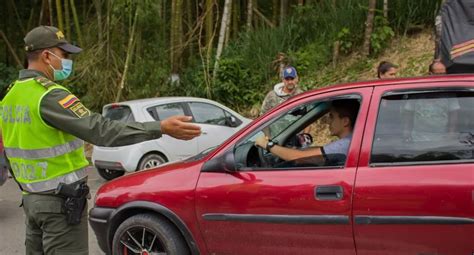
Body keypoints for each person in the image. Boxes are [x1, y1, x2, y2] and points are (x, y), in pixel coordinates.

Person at [0, 26, 201, 255]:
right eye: (63, 55)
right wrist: (160, 127)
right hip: (59, 204)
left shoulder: (10, 95)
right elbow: (101, 130)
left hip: (31, 200)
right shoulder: (49, 95)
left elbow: (9, 150)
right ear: (47, 56)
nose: (66, 62)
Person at [255, 100, 359, 165]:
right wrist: (295, 149)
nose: (328, 121)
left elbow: (298, 158)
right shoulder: (351, 140)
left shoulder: (344, 145)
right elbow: (322, 150)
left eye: (331, 116)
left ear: (345, 121)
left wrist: (268, 145)